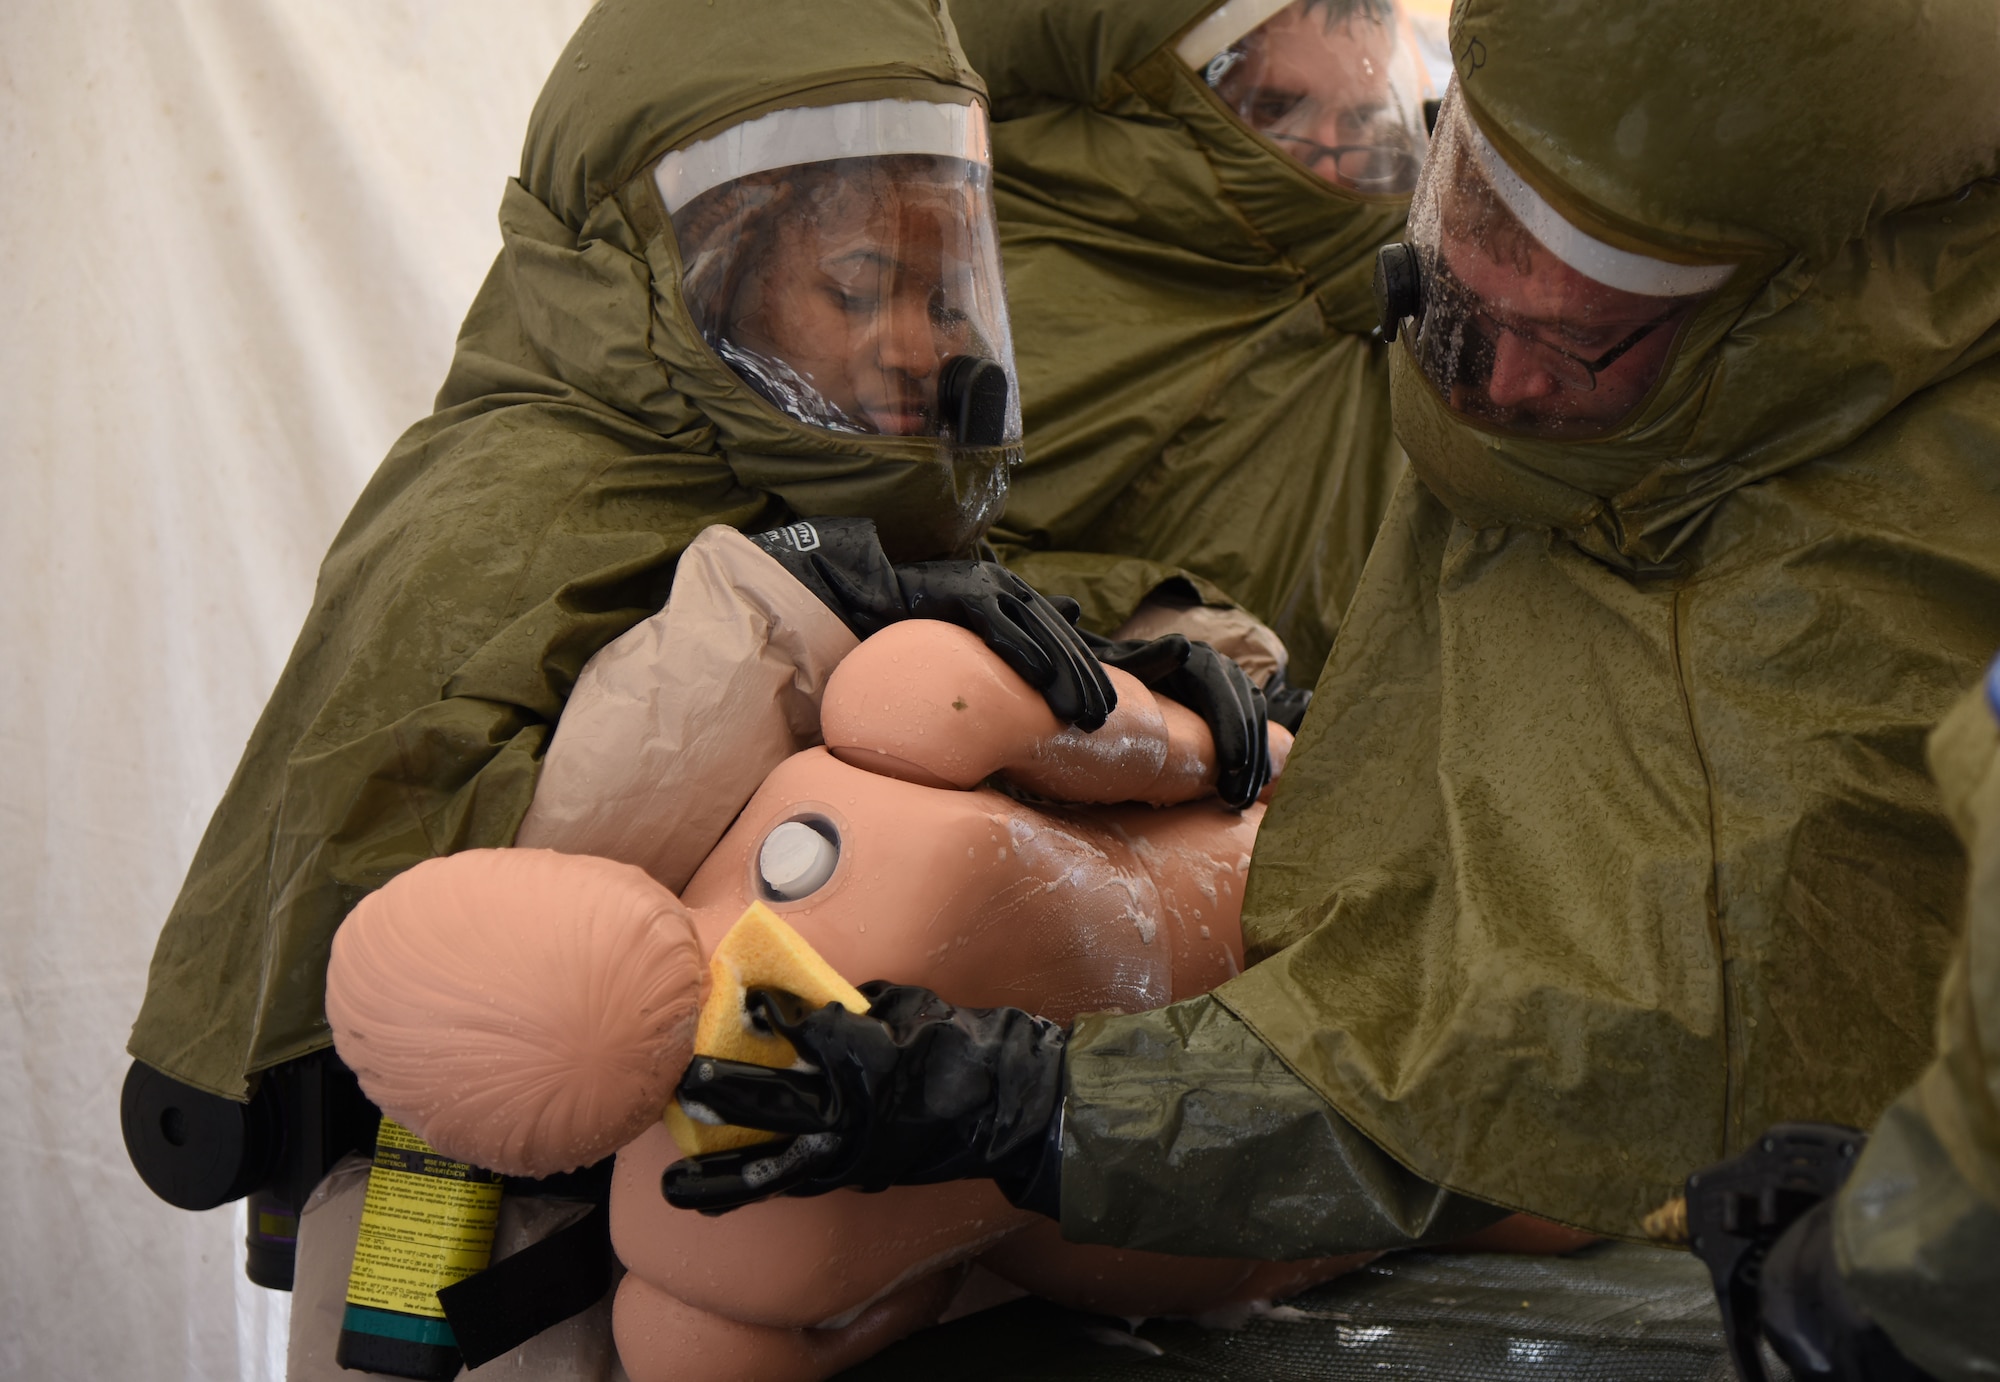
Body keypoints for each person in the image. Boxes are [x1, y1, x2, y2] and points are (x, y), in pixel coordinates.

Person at [659, 0, 2000, 1293]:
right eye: (1469, 293)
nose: (1509, 381)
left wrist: (1041, 1110)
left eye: (1582, 341)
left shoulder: (1855, 566)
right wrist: (1194, 660)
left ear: (1774, 304)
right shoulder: (1625, 394)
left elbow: (1567, 1041)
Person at [122, 0, 1274, 1210]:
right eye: (860, 285)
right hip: (466, 1229)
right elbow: (485, 907)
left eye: (945, 297)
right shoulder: (498, 507)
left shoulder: (822, 491)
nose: (919, 346)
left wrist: (1149, 671)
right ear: (696, 277)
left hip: (765, 1200)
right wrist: (793, 599)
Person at [950, 0, 1433, 694]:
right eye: (1275, 107)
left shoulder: (1419, 304)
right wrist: (1144, 619)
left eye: (1361, 121)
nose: (1331, 161)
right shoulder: (993, 302)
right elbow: (881, 568)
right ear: (1156, 100)